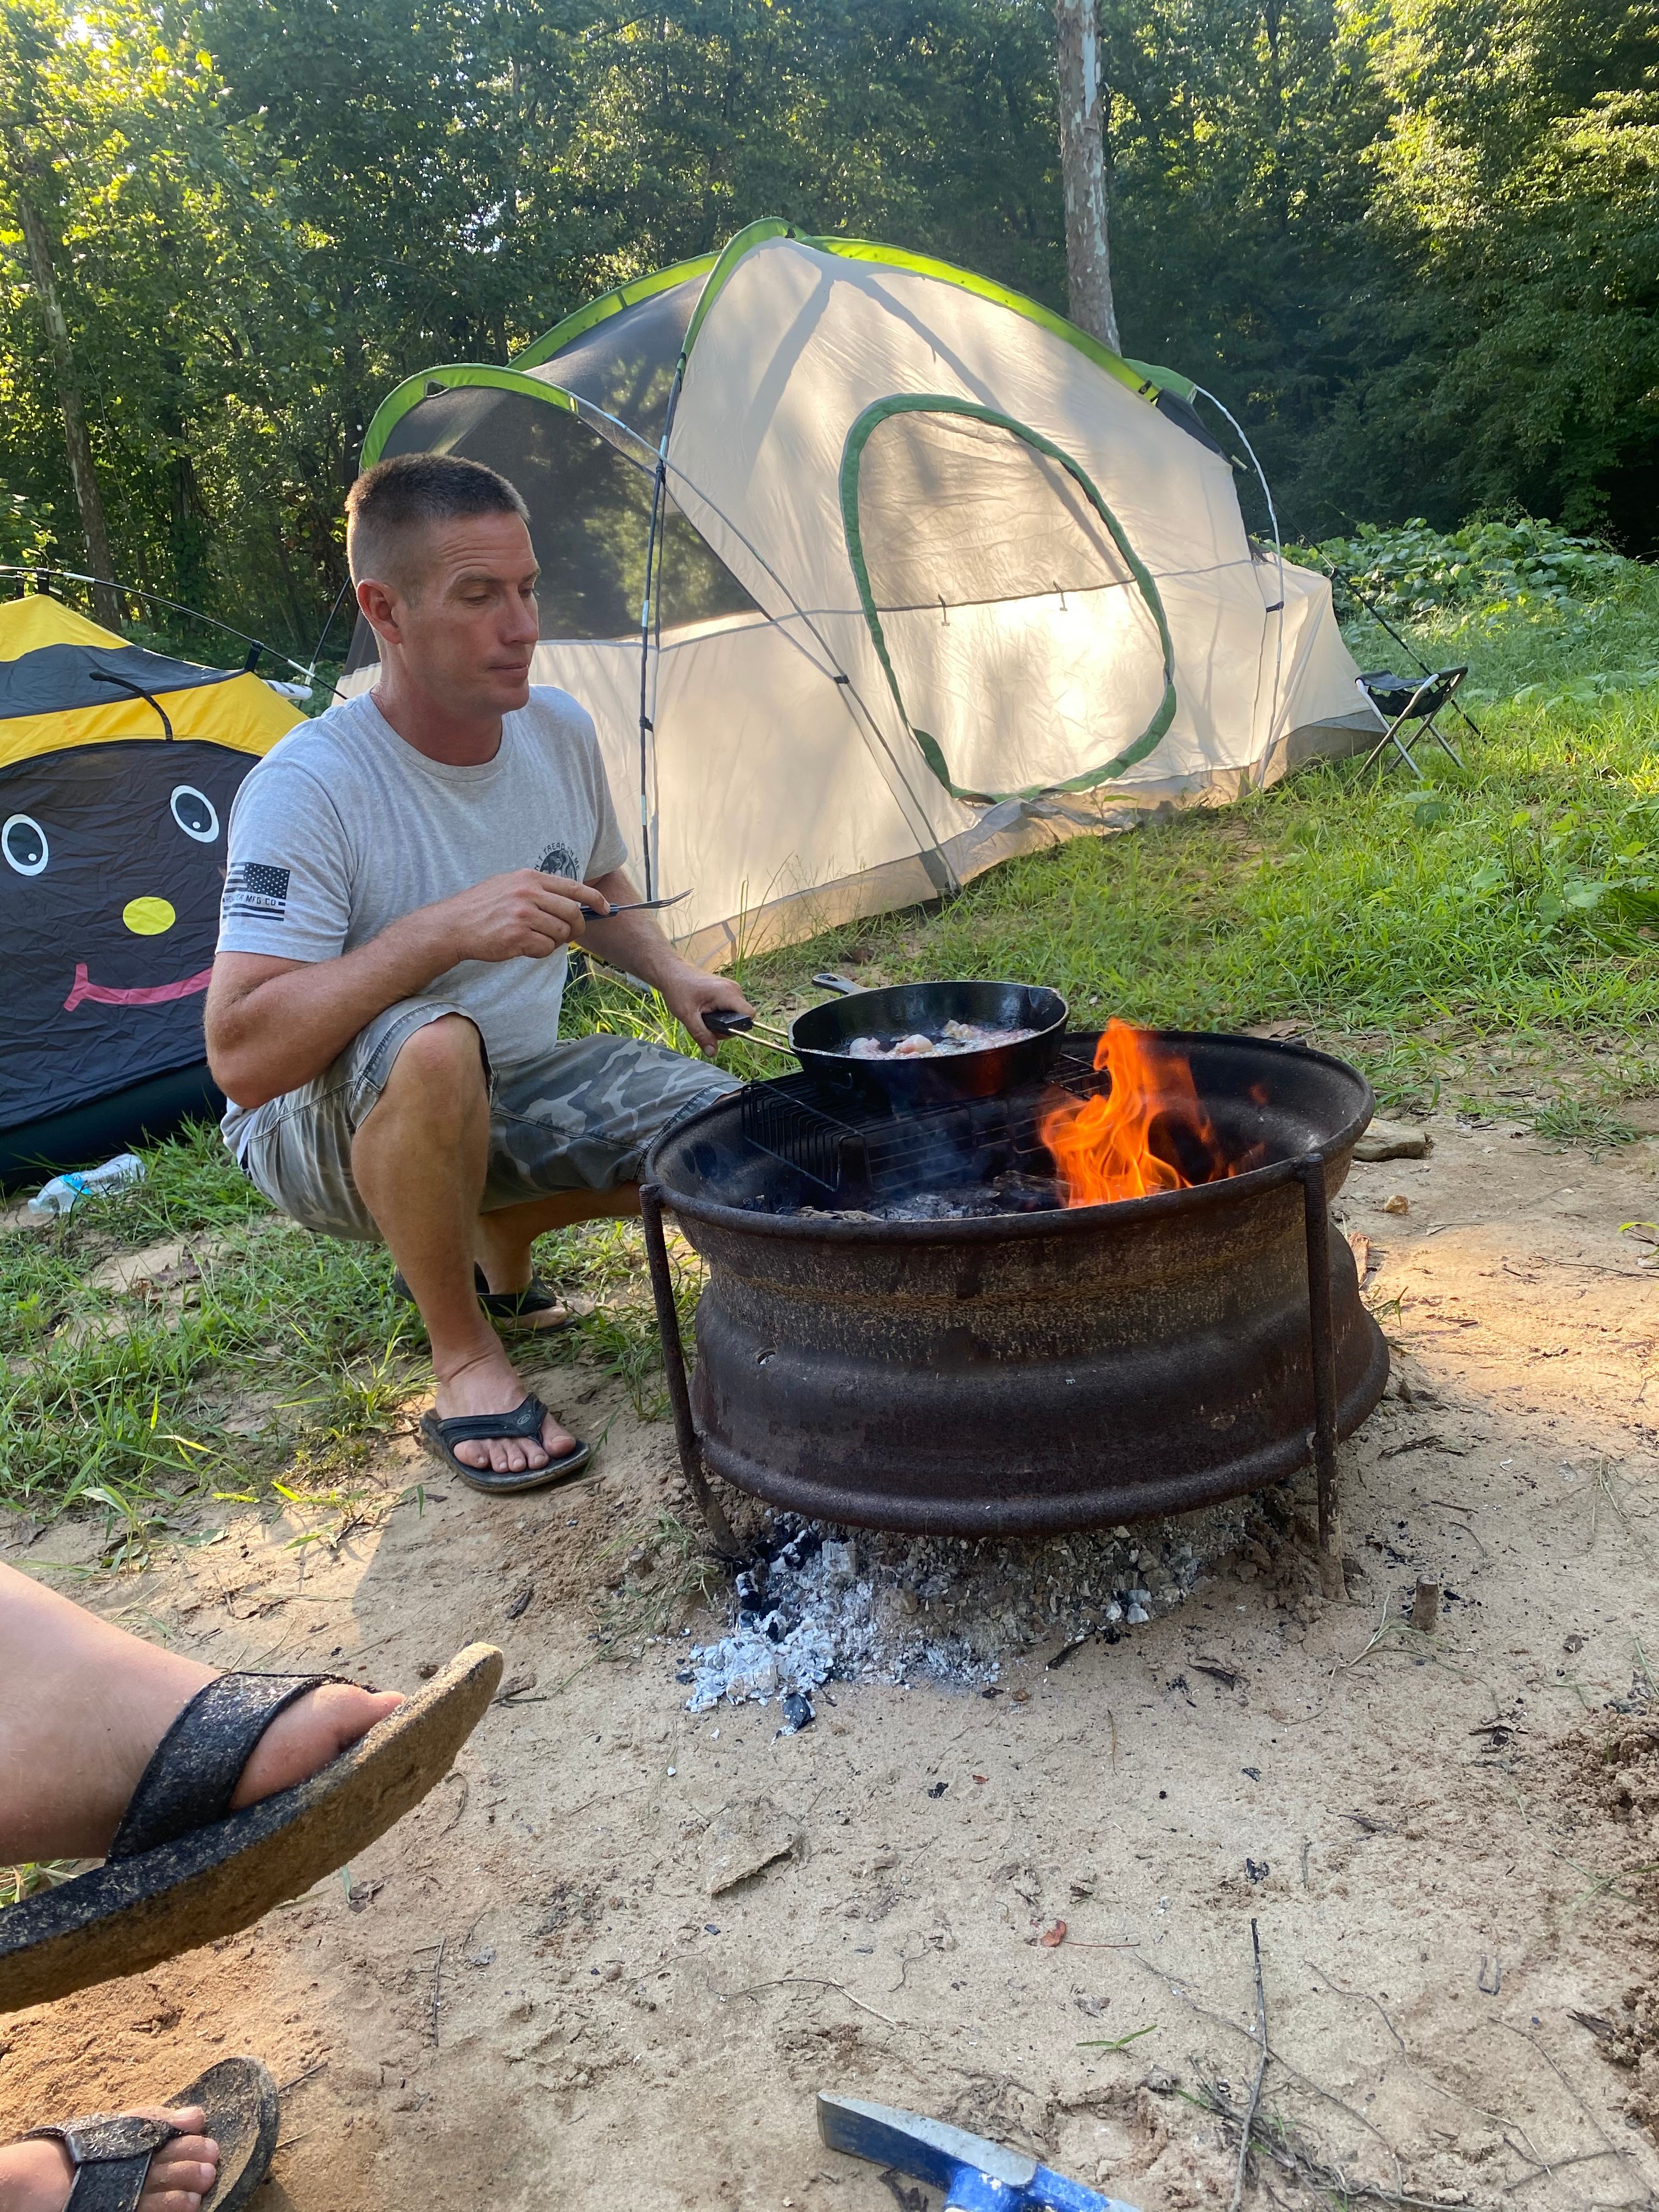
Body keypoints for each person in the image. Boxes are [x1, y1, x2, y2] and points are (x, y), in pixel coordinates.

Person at [204, 454, 752, 1493]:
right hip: (316, 1124)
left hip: (503, 1087)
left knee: (723, 1141)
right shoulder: (308, 786)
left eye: (528, 588)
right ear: (387, 611)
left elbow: (592, 883)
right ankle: (462, 1360)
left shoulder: (558, 731)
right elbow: (242, 1057)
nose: (523, 625)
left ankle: (493, 1224)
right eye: (478, 596)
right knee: (433, 1041)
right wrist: (438, 932)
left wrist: (673, 974)